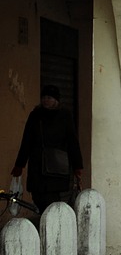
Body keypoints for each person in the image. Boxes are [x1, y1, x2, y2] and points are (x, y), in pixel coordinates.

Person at [11, 85, 83, 213]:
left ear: (56, 100)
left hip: (57, 170)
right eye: (43, 97)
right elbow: (26, 141)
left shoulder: (65, 116)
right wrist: (19, 165)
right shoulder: (35, 116)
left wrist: (77, 166)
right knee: (39, 201)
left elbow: (73, 141)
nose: (46, 100)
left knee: (55, 206)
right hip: (37, 169)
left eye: (49, 97)